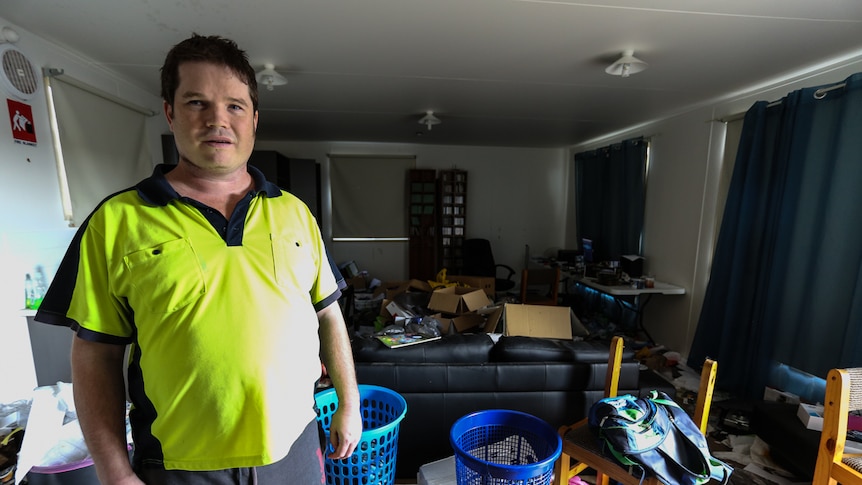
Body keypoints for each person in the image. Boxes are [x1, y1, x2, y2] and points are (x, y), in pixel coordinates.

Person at [34, 34, 362, 485]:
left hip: (296, 452)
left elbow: (329, 317)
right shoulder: (117, 221)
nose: (217, 120)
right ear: (170, 112)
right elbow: (95, 356)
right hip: (182, 465)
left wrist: (350, 403)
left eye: (234, 106)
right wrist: (113, 471)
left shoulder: (295, 213)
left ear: (254, 119)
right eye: (196, 103)